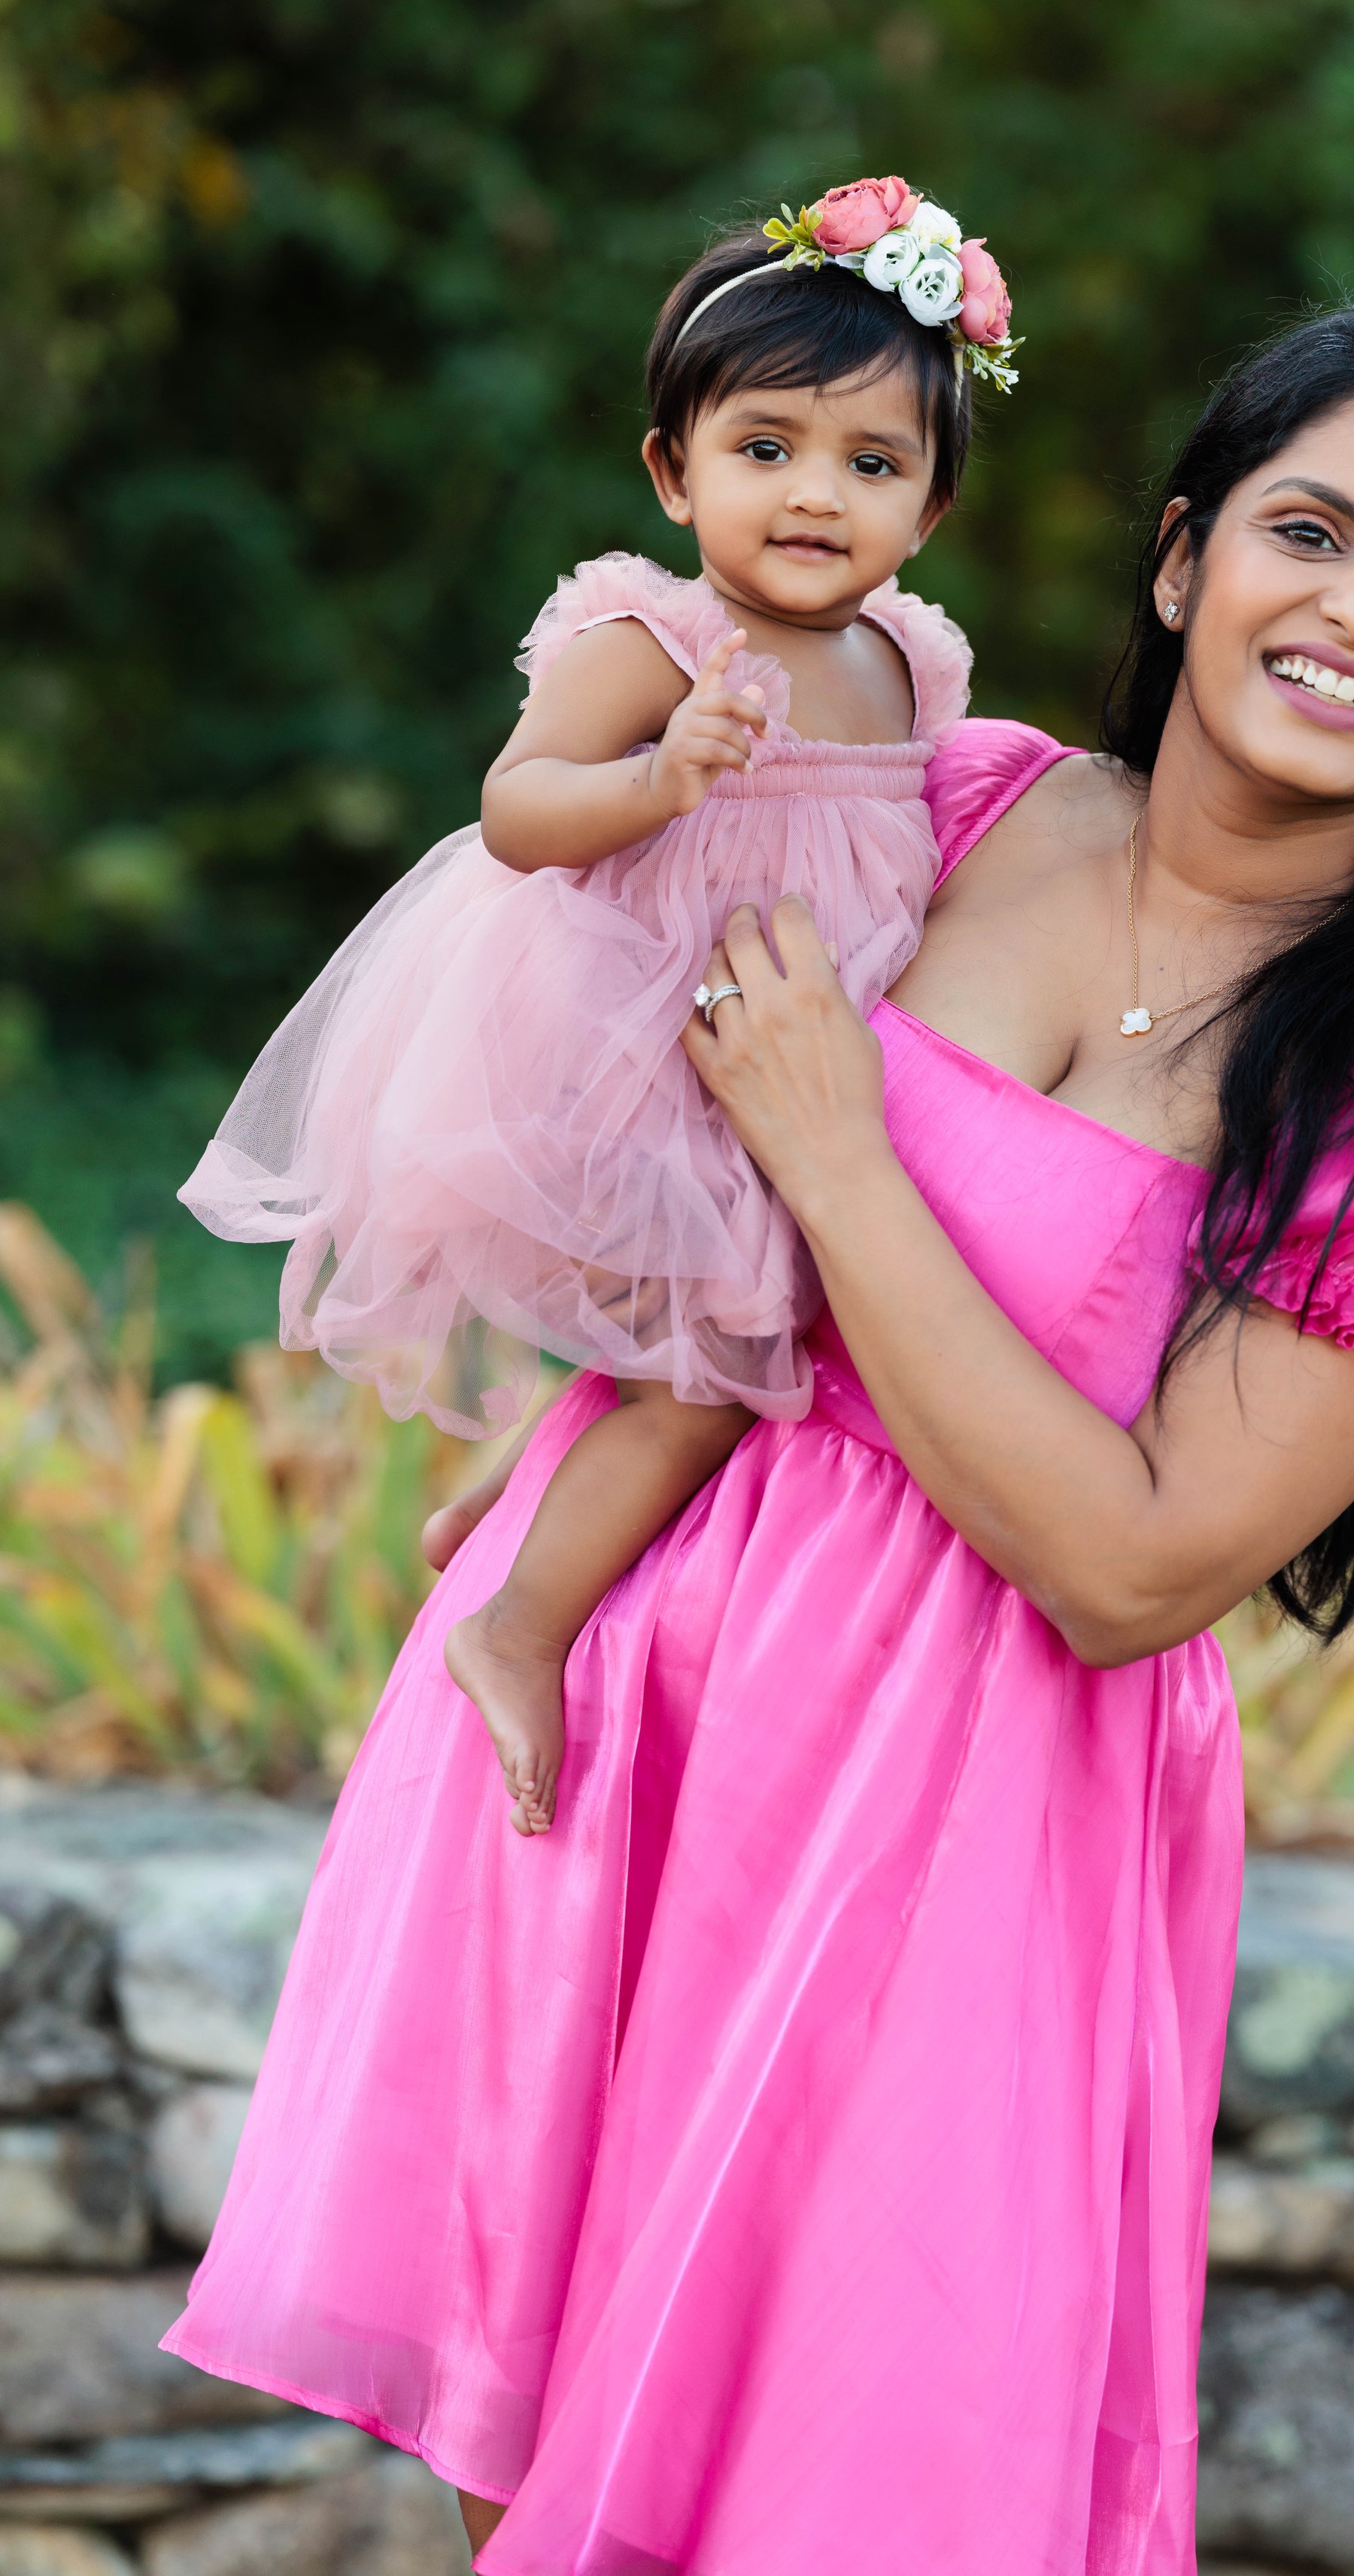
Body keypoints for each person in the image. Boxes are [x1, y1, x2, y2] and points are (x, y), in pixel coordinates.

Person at [162, 307, 1354, 2575]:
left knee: (850, 2480)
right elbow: (639, 1126)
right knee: (553, 2458)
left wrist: (844, 1155)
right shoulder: (952, 789)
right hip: (647, 1709)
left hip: (962, 1825)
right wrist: (564, 1455)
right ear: (1183, 560)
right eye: (1310, 530)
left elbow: (1128, 1563)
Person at [178, 177, 1016, 1833]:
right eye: (764, 447)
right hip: (646, 1047)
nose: (810, 493)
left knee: (735, 1348)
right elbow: (516, 809)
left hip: (804, 1062)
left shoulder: (910, 660)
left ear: (925, 511)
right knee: (704, 1376)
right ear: (672, 467)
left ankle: (495, 1500)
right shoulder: (656, 629)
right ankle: (513, 1621)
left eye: (870, 464)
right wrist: (660, 773)